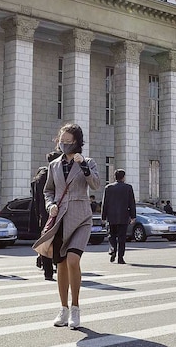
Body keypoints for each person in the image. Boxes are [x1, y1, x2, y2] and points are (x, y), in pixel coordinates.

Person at [33, 123, 101, 329]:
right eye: (61, 141)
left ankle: (75, 308)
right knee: (60, 264)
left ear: (77, 143)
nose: (64, 145)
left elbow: (96, 185)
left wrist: (85, 168)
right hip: (60, 217)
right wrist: (50, 204)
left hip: (81, 217)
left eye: (68, 142)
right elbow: (48, 191)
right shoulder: (54, 165)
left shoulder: (88, 162)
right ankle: (63, 309)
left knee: (73, 260)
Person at [31, 152, 60, 281]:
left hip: (43, 214)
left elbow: (35, 199)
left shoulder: (39, 178)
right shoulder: (57, 174)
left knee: (46, 241)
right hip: (57, 212)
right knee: (59, 241)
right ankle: (59, 267)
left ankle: (47, 272)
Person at [102, 169, 136, 264]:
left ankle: (113, 249)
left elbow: (105, 203)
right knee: (122, 237)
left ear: (114, 177)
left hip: (111, 216)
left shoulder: (108, 187)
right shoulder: (128, 187)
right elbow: (131, 203)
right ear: (124, 177)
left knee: (111, 235)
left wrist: (103, 217)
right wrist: (133, 216)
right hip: (123, 216)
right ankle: (120, 258)